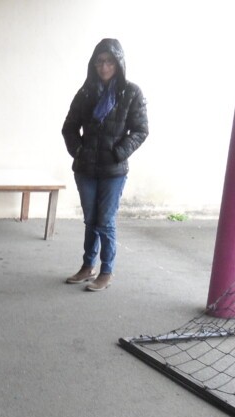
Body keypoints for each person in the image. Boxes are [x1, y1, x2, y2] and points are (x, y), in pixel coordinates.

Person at [61, 38, 148, 292]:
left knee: (106, 221)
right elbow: (69, 127)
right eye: (99, 61)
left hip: (113, 170)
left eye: (109, 61)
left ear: (118, 63)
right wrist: (79, 151)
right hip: (86, 168)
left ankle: (106, 271)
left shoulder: (131, 92)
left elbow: (141, 130)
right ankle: (88, 266)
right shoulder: (86, 92)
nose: (104, 66)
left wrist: (119, 152)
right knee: (91, 220)